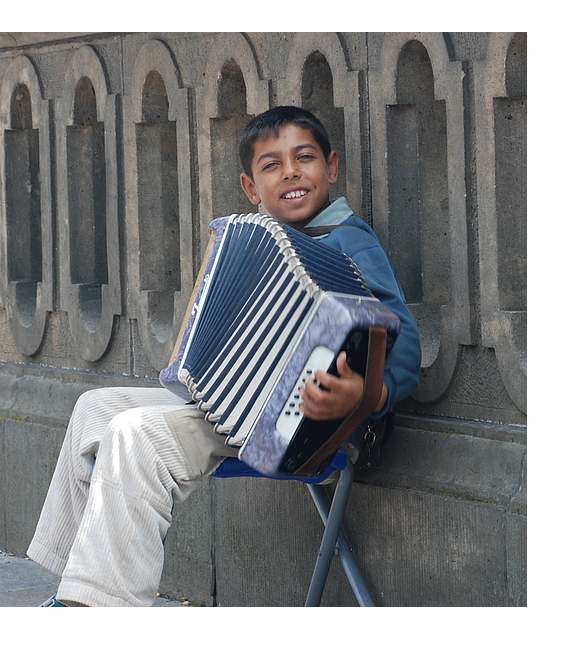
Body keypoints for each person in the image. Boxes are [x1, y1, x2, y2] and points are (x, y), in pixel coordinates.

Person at [27, 106, 421, 607]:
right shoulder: (257, 243)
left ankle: (98, 610)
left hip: (314, 429)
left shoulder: (350, 243)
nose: (292, 172)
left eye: (305, 158)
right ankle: (75, 591)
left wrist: (364, 393)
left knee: (135, 434)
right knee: (95, 410)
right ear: (252, 188)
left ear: (332, 167)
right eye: (271, 165)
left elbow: (405, 343)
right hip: (243, 413)